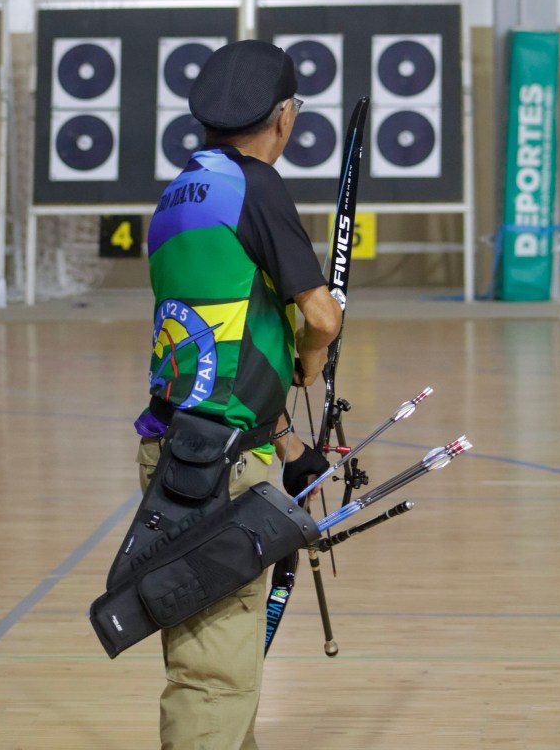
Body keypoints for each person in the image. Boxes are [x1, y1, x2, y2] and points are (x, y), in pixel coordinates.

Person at [132, 38, 342, 750]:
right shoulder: (257, 186)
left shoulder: (179, 194)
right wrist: (313, 357)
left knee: (217, 648)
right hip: (216, 466)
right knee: (215, 668)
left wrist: (286, 443)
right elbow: (321, 316)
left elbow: (226, 340)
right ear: (283, 116)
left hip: (181, 450)